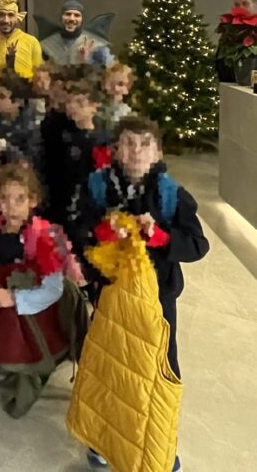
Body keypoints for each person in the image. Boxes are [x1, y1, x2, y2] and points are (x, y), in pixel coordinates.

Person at [71, 116, 208, 470]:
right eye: (128, 143)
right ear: (116, 150)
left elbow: (198, 245)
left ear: (157, 152)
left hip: (157, 301)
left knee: (157, 370)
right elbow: (80, 230)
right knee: (110, 367)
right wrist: (104, 232)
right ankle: (104, 438)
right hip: (111, 294)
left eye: (145, 144)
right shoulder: (97, 188)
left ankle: (158, 447)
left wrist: (159, 237)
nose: (136, 151)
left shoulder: (172, 196)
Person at [0, 163, 71, 415]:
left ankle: (7, 363)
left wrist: (14, 299)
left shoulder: (43, 237)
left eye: (20, 199)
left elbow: (53, 289)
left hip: (35, 305)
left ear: (33, 201)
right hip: (4, 291)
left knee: (12, 329)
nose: (11, 206)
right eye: (4, 199)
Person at [39, 1, 114, 66]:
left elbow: (109, 70)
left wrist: (88, 60)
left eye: (77, 15)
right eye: (68, 14)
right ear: (61, 17)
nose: (71, 19)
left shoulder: (95, 43)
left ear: (82, 19)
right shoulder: (47, 44)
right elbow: (39, 69)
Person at [215, 0, 257, 82]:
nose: (240, 8)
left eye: (245, 4)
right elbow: (220, 62)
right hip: (231, 85)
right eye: (237, 5)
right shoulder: (229, 30)